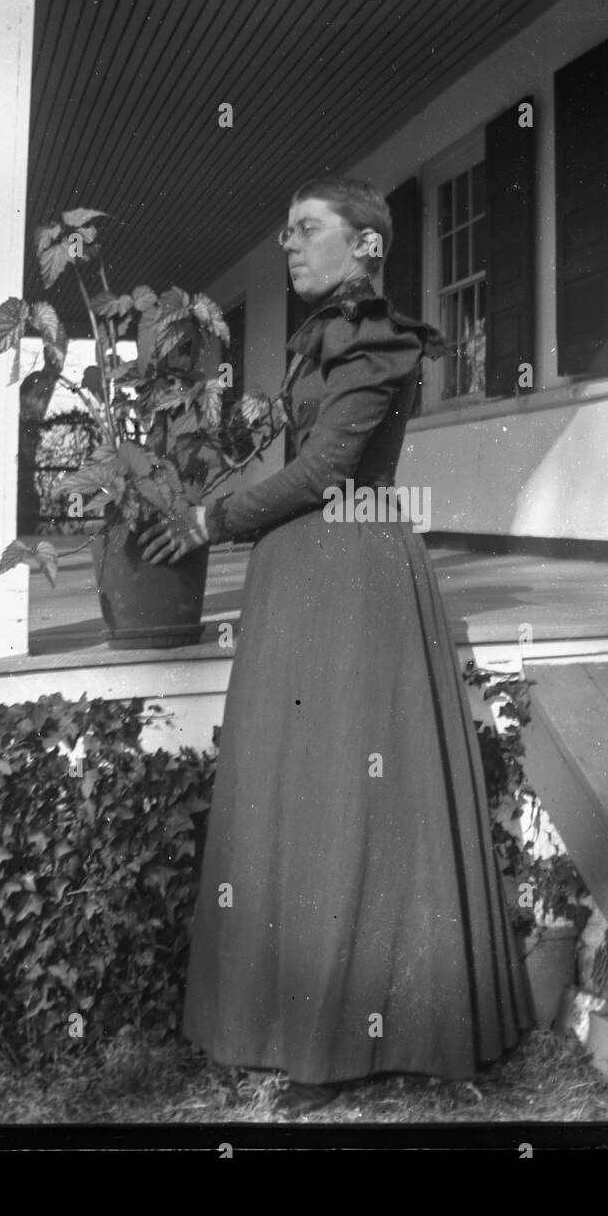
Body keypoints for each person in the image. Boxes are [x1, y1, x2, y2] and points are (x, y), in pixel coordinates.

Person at [140, 177, 533, 1113]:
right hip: (303, 576)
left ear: (366, 246)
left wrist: (209, 518)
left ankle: (356, 1033)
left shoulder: (375, 339)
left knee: (344, 802)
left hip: (349, 580)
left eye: (308, 231)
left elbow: (324, 471)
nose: (288, 246)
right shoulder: (323, 336)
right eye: (284, 233)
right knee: (300, 789)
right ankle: (291, 1019)